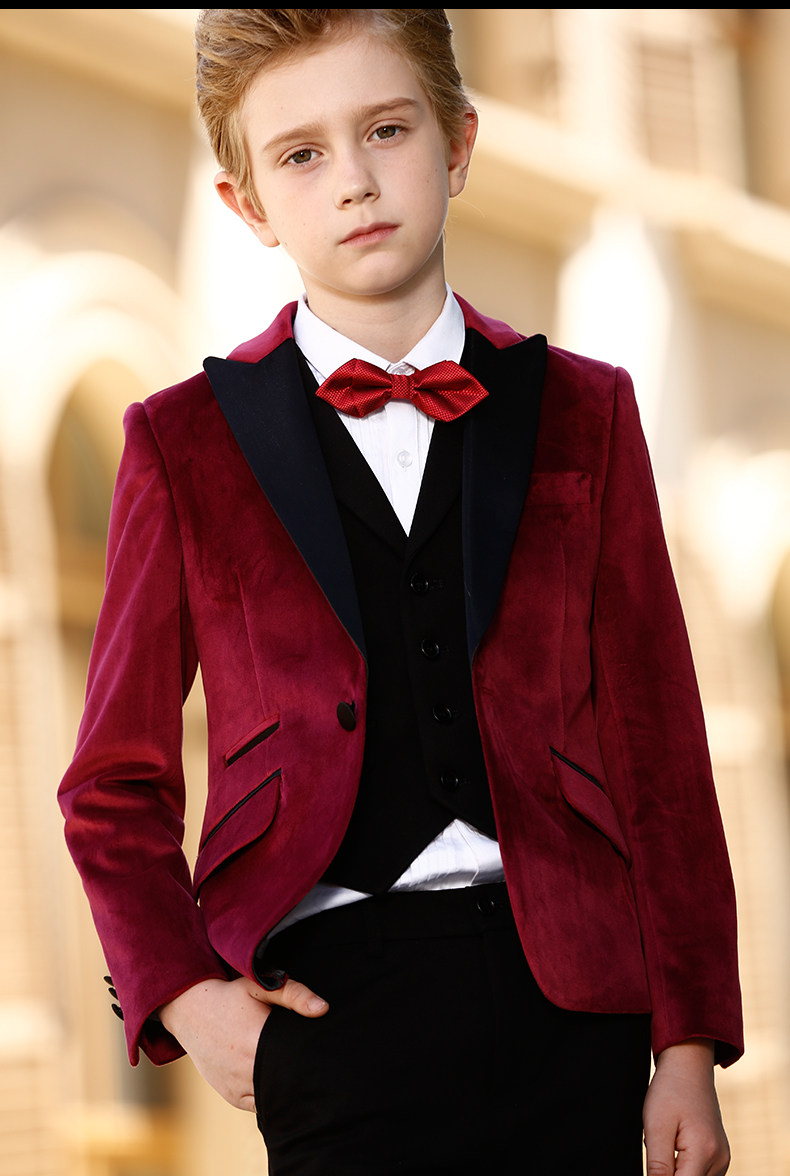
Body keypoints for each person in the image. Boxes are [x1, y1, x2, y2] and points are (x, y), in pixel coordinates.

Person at [59, 9, 743, 1175]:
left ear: (458, 141)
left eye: (386, 129)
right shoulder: (182, 444)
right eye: (301, 154)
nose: (355, 181)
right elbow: (111, 786)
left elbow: (661, 759)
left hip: (573, 1008)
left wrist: (686, 1045)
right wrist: (184, 997)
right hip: (332, 1013)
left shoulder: (586, 412)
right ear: (246, 204)